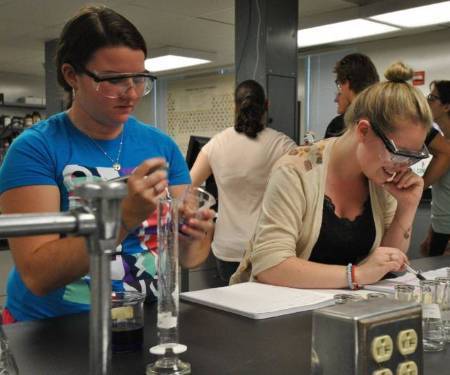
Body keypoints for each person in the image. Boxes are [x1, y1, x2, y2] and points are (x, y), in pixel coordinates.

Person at [0, 5, 214, 322]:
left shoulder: (160, 146)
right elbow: (38, 274)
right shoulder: (36, 148)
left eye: (139, 79)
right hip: (55, 330)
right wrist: (123, 216)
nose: (131, 93)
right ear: (72, 75)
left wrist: (194, 235)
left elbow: (190, 257)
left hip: (142, 320)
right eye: (113, 81)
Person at [230, 62, 431, 289]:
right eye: (399, 154)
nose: (404, 167)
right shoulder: (296, 170)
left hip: (343, 309)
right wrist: (356, 274)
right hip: (280, 314)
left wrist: (407, 207)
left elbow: (387, 264)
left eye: (414, 157)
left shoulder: (380, 179)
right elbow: (270, 265)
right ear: (363, 131)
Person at [190, 80, 296, 284]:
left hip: (226, 249)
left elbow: (187, 187)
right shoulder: (282, 145)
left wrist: (207, 209)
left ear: (235, 106)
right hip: (265, 248)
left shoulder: (216, 144)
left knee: (231, 313)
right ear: (266, 105)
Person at [421, 80, 450, 256]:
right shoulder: (442, 144)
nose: (427, 101)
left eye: (432, 98)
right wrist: (432, 231)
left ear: (446, 106)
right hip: (440, 230)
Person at [324, 53, 379, 138]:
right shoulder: (385, 120)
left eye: (339, 84)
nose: (336, 99)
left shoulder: (338, 126)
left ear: (346, 82)